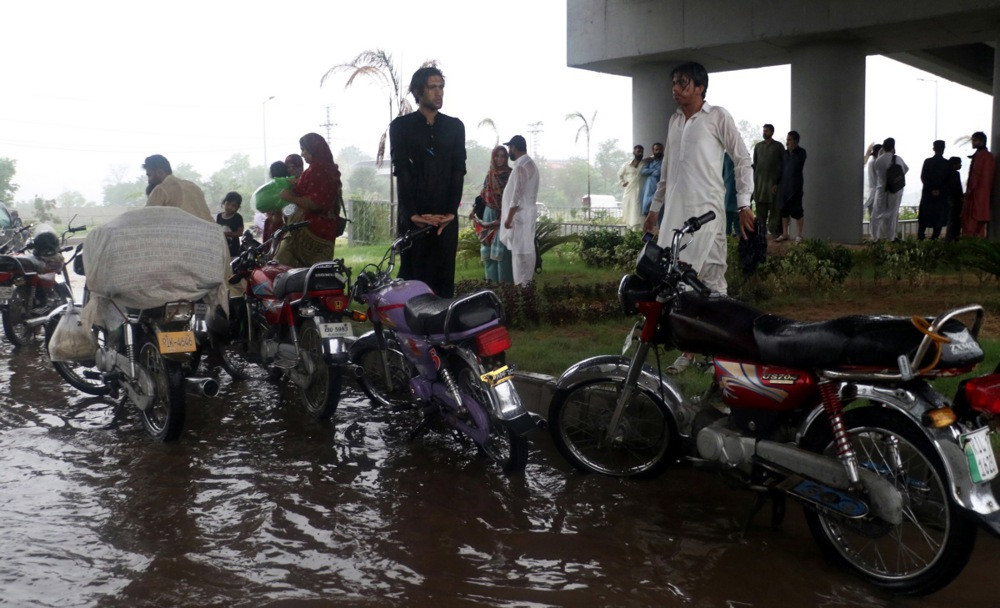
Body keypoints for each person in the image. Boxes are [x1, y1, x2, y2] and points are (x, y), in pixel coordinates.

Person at [641, 61, 754, 373]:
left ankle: (714, 353)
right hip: (676, 215)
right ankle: (702, 350)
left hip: (707, 216)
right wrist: (653, 211)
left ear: (701, 87)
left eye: (683, 83)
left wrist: (744, 204)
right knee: (692, 281)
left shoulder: (718, 117)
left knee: (700, 280)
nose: (676, 89)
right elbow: (666, 174)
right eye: (674, 83)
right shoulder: (675, 121)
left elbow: (742, 158)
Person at [389, 66, 466, 298]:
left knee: (442, 286)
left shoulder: (455, 127)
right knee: (414, 284)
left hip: (446, 220)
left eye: (441, 87)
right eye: (432, 87)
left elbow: (457, 170)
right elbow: (402, 171)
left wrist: (451, 212)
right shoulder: (401, 127)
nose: (438, 93)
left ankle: (443, 332)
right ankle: (412, 334)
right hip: (414, 220)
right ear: (418, 91)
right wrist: (413, 215)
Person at [275, 133, 342, 267]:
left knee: (281, 266)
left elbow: (315, 202)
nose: (302, 154)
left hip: (311, 233)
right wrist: (296, 184)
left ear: (313, 149)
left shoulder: (320, 170)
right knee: (314, 275)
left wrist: (290, 197)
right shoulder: (322, 168)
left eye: (304, 150)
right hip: (315, 230)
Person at [499, 135, 540, 286]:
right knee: (526, 251)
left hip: (520, 216)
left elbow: (517, 194)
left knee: (521, 255)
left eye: (510, 148)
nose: (509, 151)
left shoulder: (521, 166)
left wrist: (509, 218)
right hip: (526, 214)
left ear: (514, 148)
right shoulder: (529, 164)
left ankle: (522, 288)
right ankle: (525, 287)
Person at [472, 145, 513, 283]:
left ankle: (505, 288)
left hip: (504, 215)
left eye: (503, 156)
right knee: (488, 252)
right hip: (489, 214)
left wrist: (506, 216)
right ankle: (491, 284)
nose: (500, 159)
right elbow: (483, 195)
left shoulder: (510, 174)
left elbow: (513, 197)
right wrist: (474, 211)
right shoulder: (490, 174)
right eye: (497, 155)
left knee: (501, 253)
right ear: (493, 157)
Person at [143, 154, 213, 222]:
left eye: (149, 175)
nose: (149, 180)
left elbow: (147, 219)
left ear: (159, 172)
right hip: (207, 232)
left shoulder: (161, 189)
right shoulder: (193, 186)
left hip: (180, 233)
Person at [871, 137, 909, 241]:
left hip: (881, 190)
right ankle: (891, 238)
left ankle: (875, 238)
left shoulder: (878, 160)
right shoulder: (898, 159)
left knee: (877, 214)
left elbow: (877, 174)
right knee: (893, 214)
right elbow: (905, 170)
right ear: (893, 147)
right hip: (895, 191)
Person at [751, 124, 784, 238]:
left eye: (766, 131)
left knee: (774, 210)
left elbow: (783, 166)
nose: (764, 133)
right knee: (760, 211)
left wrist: (777, 183)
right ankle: (760, 234)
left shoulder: (778, 146)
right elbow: (756, 164)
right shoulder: (758, 146)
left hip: (773, 185)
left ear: (772, 132)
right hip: (760, 185)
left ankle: (773, 233)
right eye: (763, 131)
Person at [962, 131, 996, 238]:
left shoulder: (981, 156)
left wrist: (968, 192)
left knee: (970, 226)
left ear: (981, 141)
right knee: (977, 227)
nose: (972, 142)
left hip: (975, 197)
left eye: (974, 140)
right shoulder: (988, 156)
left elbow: (975, 177)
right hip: (981, 198)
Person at [776, 131, 807, 242]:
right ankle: (785, 234)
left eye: (789, 140)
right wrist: (776, 183)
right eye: (787, 139)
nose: (787, 142)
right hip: (784, 186)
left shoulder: (801, 152)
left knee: (798, 211)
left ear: (795, 141)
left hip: (796, 187)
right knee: (784, 211)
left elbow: (799, 163)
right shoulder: (784, 154)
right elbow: (780, 169)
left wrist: (792, 150)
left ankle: (799, 235)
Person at [917, 140, 951, 240]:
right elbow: (948, 181)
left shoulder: (927, 162)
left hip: (928, 195)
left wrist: (931, 189)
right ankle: (933, 241)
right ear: (944, 149)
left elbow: (923, 177)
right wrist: (939, 190)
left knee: (923, 220)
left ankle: (920, 240)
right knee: (938, 221)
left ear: (933, 149)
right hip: (941, 197)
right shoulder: (947, 164)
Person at [261, 160, 290, 243]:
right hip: (287, 220)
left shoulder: (270, 187)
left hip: (274, 221)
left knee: (272, 248)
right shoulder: (290, 184)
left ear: (271, 173)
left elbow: (266, 207)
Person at [619, 145, 645, 230]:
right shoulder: (627, 165)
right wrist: (623, 182)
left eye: (641, 152)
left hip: (641, 190)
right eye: (638, 152)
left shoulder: (645, 163)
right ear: (634, 152)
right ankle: (630, 230)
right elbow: (620, 175)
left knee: (638, 209)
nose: (640, 153)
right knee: (629, 208)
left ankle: (638, 230)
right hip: (630, 190)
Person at [216, 191, 245, 257]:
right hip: (221, 249)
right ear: (224, 203)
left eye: (233, 205)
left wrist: (225, 234)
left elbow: (240, 233)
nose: (229, 207)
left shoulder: (238, 217)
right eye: (228, 204)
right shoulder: (219, 216)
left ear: (238, 207)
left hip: (233, 251)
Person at [639, 142, 663, 215]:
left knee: (660, 205)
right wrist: (653, 171)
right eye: (656, 150)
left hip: (661, 183)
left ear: (662, 150)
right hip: (650, 184)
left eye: (659, 150)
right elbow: (642, 171)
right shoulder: (649, 160)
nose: (658, 151)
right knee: (647, 203)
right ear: (653, 150)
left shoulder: (665, 160)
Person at [945, 156, 965, 241]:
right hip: (956, 201)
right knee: (956, 222)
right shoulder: (956, 174)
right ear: (954, 164)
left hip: (949, 201)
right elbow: (958, 188)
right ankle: (955, 239)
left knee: (951, 222)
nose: (960, 165)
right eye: (959, 163)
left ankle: (949, 239)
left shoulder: (946, 173)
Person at [863, 142, 882, 220]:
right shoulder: (876, 162)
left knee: (872, 213)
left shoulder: (871, 162)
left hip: (871, 190)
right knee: (874, 215)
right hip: (874, 190)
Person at [723, 153, 738, 236]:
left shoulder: (743, 154)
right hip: (727, 190)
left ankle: (738, 236)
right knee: (727, 215)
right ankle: (727, 236)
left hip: (739, 192)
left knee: (738, 215)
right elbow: (721, 174)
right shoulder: (725, 156)